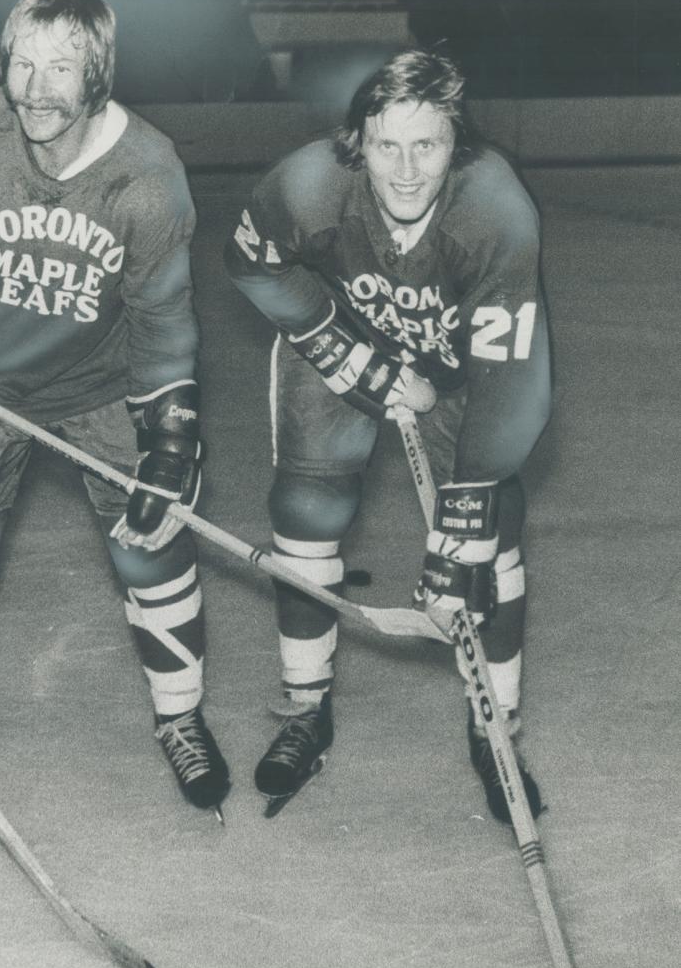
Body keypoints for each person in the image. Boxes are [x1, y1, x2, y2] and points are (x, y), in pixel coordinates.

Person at [0, 0, 229, 822]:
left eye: (61, 66)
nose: (35, 87)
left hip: (104, 388)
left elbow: (164, 319)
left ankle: (181, 717)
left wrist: (170, 436)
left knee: (152, 554)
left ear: (98, 74)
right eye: (22, 62)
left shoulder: (149, 175)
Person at [223, 48, 551, 823]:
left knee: (486, 546)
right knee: (306, 514)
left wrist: (460, 527)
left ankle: (494, 729)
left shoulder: (496, 212)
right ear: (356, 142)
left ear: (456, 145)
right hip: (345, 336)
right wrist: (357, 361)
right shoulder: (308, 184)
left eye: (427, 146)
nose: (405, 170)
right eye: (385, 146)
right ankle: (306, 709)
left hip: (462, 367)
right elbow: (248, 261)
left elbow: (515, 380)